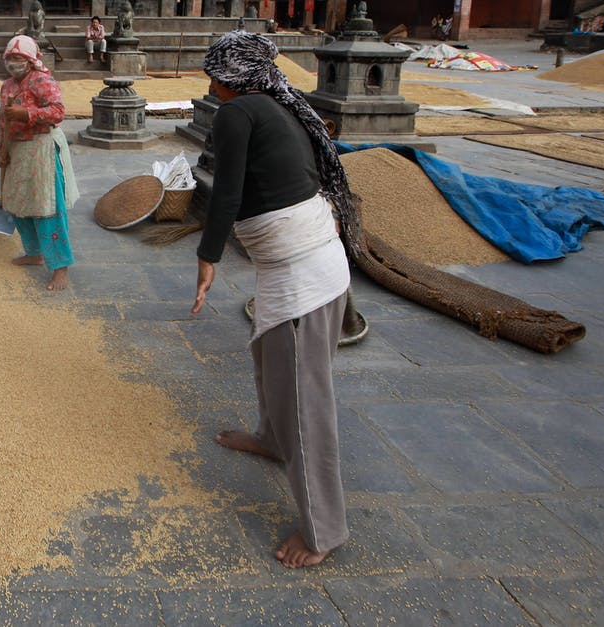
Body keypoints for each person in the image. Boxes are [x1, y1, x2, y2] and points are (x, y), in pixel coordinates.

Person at [191, 30, 352, 569]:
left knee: (305, 405)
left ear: (232, 76)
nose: (209, 82)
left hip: (305, 271)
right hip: (311, 260)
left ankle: (323, 530)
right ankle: (269, 438)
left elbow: (227, 191)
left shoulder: (237, 115)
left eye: (214, 72)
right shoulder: (281, 105)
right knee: (267, 352)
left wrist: (207, 256)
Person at [0, 35, 79, 292]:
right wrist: (1, 149)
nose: (13, 64)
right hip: (17, 150)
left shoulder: (42, 80)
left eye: (18, 59)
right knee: (18, 204)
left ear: (31, 61)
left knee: (46, 208)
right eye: (9, 59)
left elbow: (58, 112)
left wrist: (27, 113)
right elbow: (3, 121)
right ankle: (34, 253)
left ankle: (60, 267)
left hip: (41, 149)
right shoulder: (7, 86)